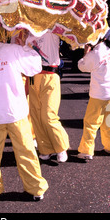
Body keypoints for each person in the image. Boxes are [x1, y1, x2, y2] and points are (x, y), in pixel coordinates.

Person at [0, 40, 48, 204]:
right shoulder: (14, 50)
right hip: (15, 112)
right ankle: (35, 188)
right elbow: (36, 66)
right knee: (26, 151)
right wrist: (27, 47)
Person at [26, 30, 70, 163]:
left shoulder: (51, 30)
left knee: (48, 115)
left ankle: (61, 146)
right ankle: (45, 149)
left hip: (50, 75)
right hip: (33, 77)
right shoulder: (27, 35)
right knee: (36, 115)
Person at [77, 37, 110, 160]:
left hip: (99, 94)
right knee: (109, 122)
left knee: (91, 123)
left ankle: (86, 150)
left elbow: (82, 66)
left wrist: (85, 53)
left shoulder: (95, 54)